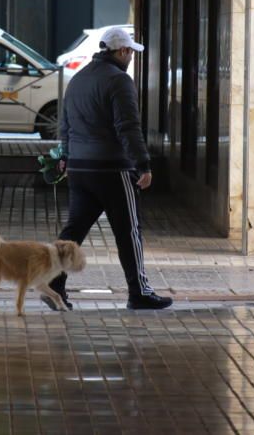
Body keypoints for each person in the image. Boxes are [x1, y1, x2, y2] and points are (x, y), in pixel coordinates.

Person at [42, 27, 173, 311]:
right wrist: (143, 164)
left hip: (79, 169)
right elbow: (127, 127)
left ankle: (53, 283)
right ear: (123, 51)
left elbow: (65, 125)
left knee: (74, 230)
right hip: (112, 169)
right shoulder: (119, 81)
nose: (131, 58)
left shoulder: (77, 80)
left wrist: (65, 156)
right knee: (129, 232)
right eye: (130, 53)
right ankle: (139, 292)